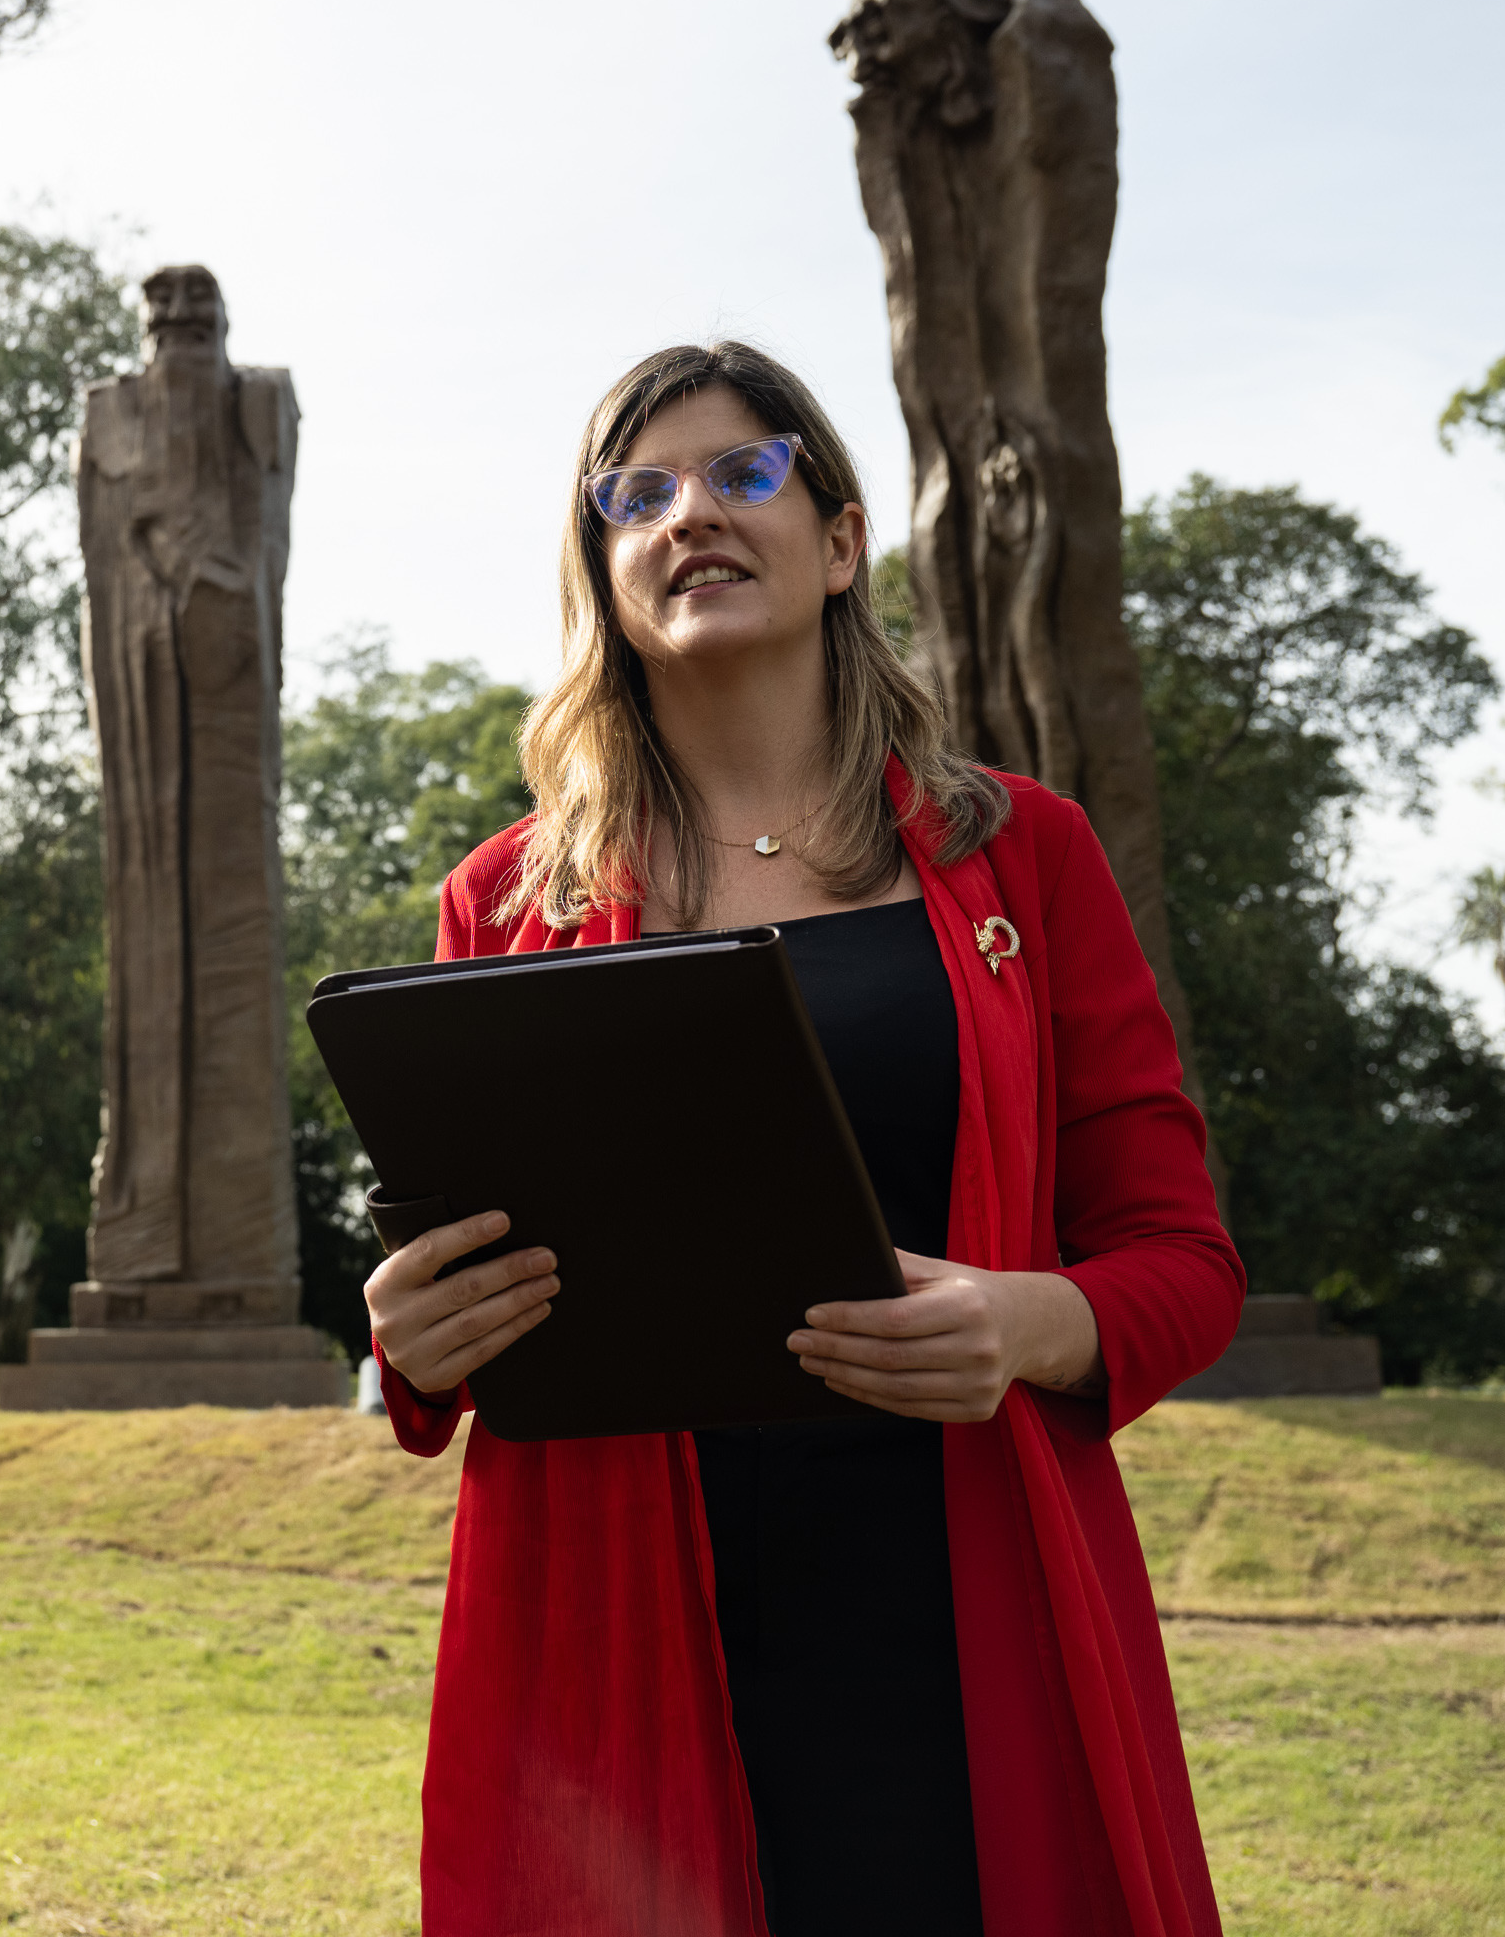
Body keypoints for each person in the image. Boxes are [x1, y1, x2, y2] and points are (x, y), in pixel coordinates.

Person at [362, 344, 1243, 1937]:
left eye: (744, 471)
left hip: (967, 1593)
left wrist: (1025, 1321)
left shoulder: (1024, 853)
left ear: (841, 542)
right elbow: (458, 1302)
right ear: (605, 575)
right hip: (622, 1613)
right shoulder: (504, 901)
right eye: (638, 495)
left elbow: (1185, 1262)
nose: (692, 511)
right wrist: (411, 1344)